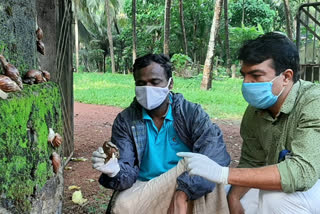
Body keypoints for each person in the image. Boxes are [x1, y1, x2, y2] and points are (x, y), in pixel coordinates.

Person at [178, 32, 320, 214]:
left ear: (286, 77)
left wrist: (223, 174)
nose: (246, 83)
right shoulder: (255, 111)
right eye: (244, 75)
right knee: (234, 195)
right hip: (300, 186)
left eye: (256, 75)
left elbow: (302, 173)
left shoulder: (314, 102)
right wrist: (234, 197)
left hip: (312, 180)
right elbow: (252, 160)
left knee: (275, 198)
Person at [91, 54, 231, 214]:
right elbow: (127, 173)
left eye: (155, 82)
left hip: (187, 181)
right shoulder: (126, 121)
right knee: (123, 205)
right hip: (147, 185)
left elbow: (217, 155)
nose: (148, 88)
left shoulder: (191, 114)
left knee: (197, 166)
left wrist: (183, 191)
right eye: (141, 83)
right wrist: (114, 170)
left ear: (170, 83)